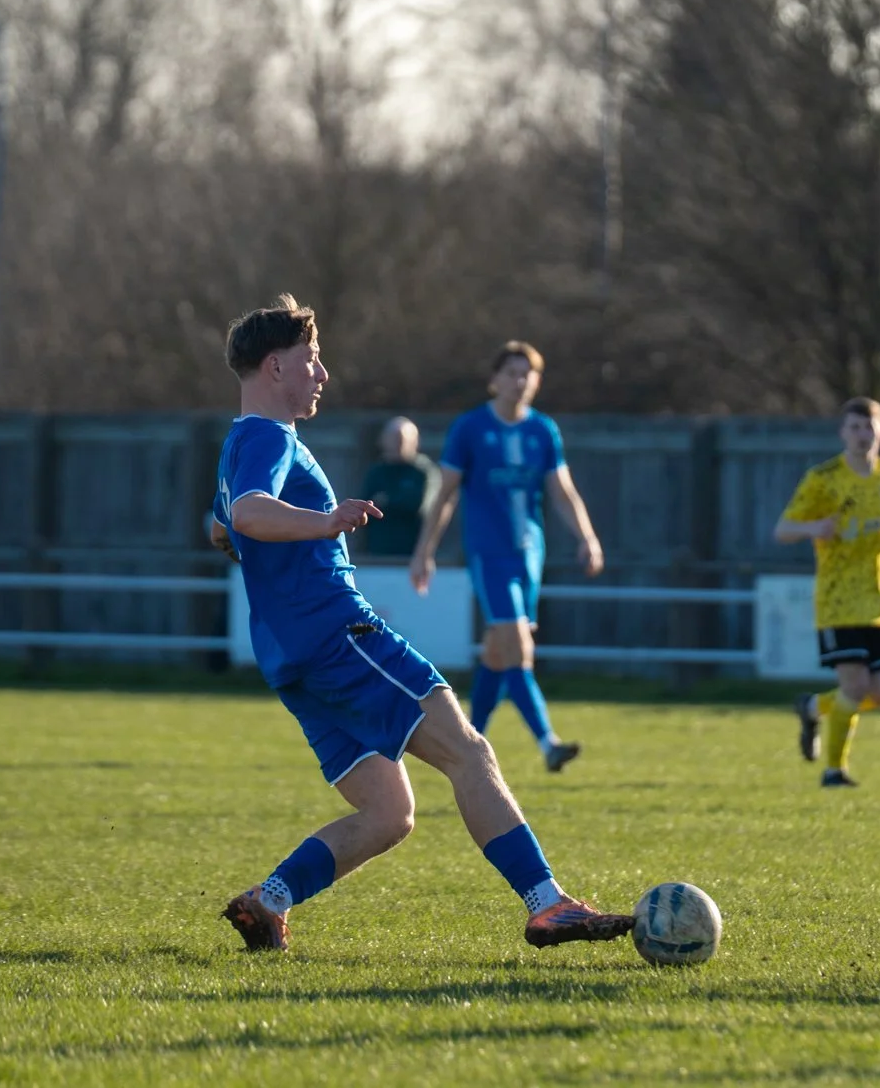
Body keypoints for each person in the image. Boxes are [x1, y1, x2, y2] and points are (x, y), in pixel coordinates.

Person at [210, 298, 631, 953]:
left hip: (292, 659)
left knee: (389, 812)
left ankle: (269, 901)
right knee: (470, 750)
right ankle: (548, 903)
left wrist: (260, 539)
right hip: (339, 637)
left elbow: (221, 523)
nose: (321, 374)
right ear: (274, 366)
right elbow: (249, 512)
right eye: (311, 361)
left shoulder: (240, 441)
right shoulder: (268, 438)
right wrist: (324, 522)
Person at [409, 342, 603, 773]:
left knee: (499, 655)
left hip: (529, 554)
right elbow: (445, 495)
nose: (520, 381)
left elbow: (562, 491)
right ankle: (548, 744)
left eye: (527, 374)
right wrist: (425, 551)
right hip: (489, 554)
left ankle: (466, 744)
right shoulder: (471, 429)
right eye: (512, 373)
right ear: (494, 380)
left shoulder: (543, 431)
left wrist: (587, 536)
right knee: (519, 647)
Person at [779, 398, 880, 787]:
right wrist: (814, 529)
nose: (862, 435)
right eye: (854, 427)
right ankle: (834, 771)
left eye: (869, 427)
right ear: (842, 432)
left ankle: (813, 708)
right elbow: (783, 530)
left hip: (879, 598)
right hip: (838, 600)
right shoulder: (824, 477)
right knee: (854, 687)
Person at [356, 417, 439, 560]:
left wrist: (386, 501)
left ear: (415, 441)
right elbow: (366, 507)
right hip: (377, 552)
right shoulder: (376, 472)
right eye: (394, 438)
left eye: (403, 439)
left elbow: (418, 506)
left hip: (412, 554)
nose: (398, 444)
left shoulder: (422, 472)